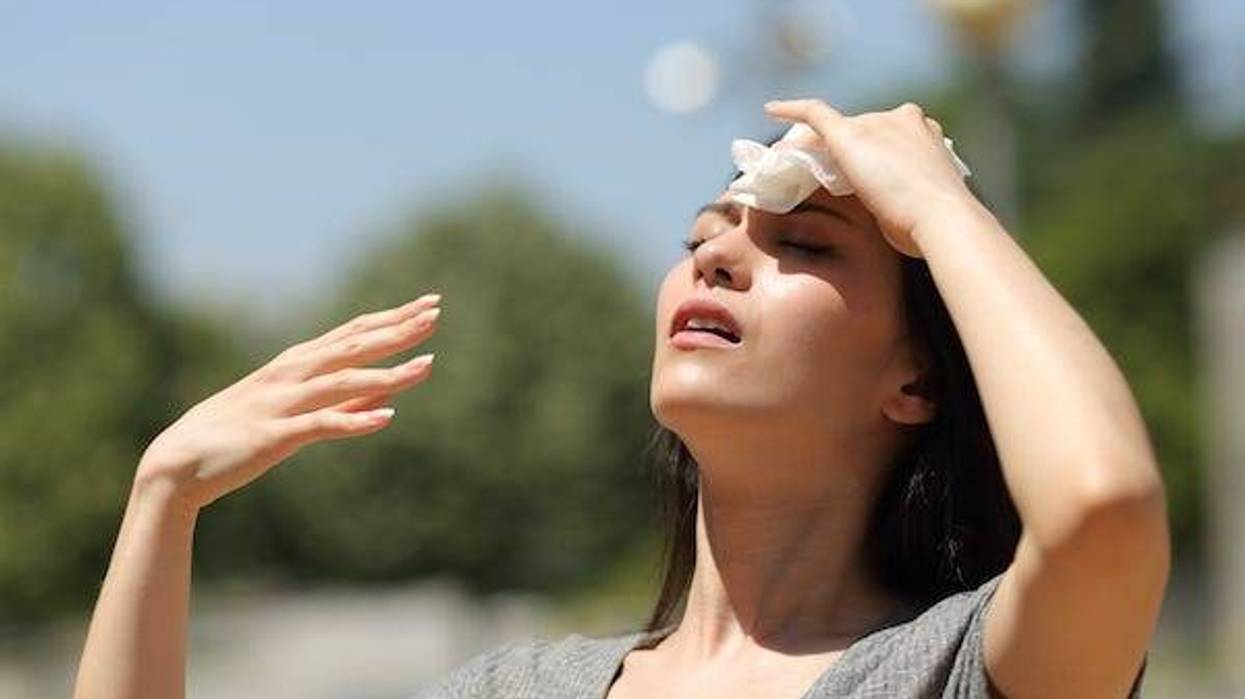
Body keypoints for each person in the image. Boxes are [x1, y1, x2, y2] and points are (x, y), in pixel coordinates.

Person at [72, 99, 1169, 699]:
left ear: (916, 379)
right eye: (700, 237)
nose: (716, 258)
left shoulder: (958, 669)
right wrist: (164, 498)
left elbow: (1102, 507)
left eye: (803, 244)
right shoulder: (515, 691)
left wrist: (937, 205)